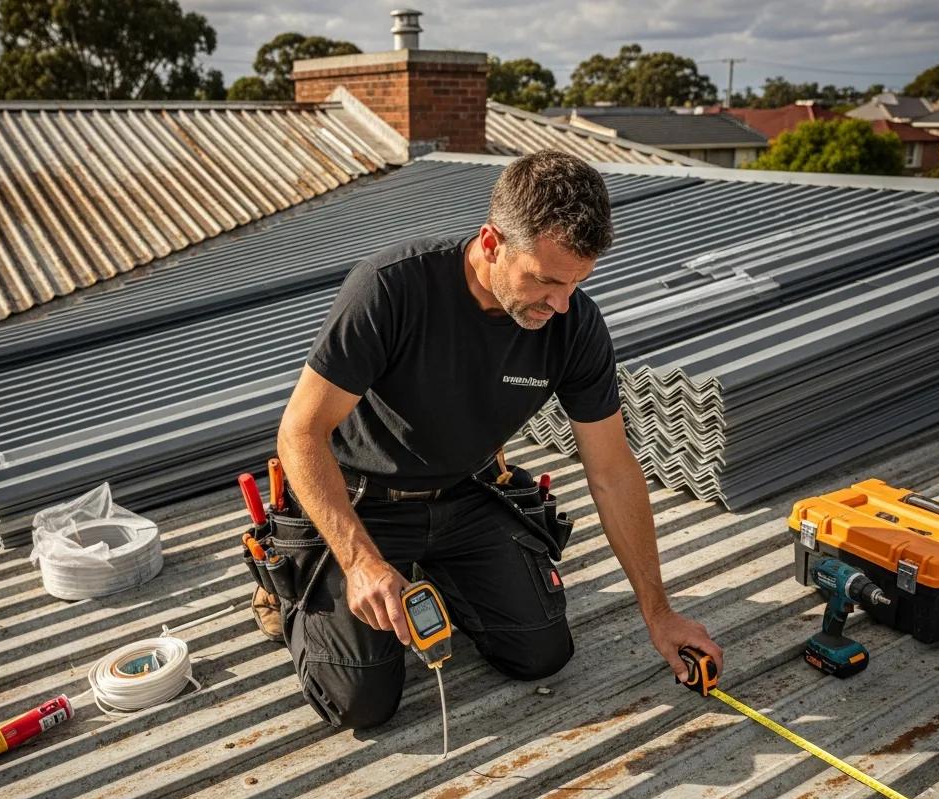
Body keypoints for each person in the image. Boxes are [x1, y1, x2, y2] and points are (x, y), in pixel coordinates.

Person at [260, 149, 722, 729]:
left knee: (541, 655)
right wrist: (359, 562)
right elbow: (299, 434)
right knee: (360, 703)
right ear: (490, 242)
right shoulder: (391, 290)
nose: (560, 304)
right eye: (547, 280)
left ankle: (431, 573)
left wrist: (659, 613)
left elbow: (611, 469)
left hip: (466, 495)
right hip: (362, 502)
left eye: (577, 284)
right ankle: (289, 585)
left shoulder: (573, 323)